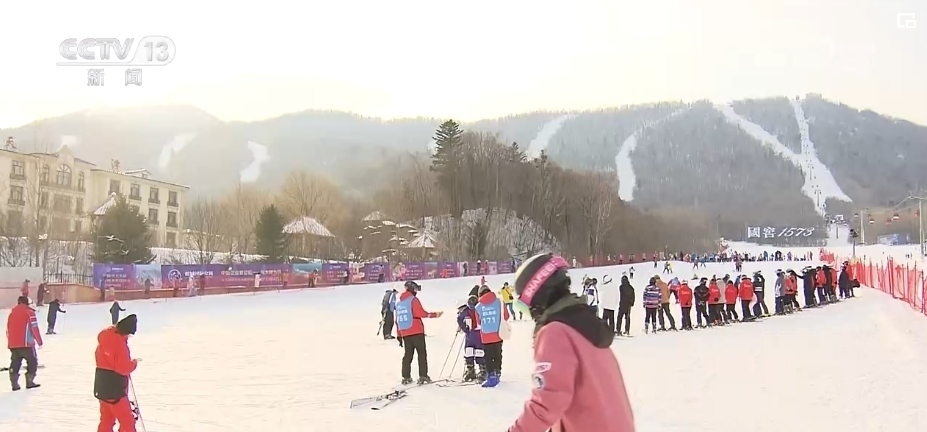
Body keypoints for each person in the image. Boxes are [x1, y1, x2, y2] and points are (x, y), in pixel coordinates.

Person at [506, 253, 634, 432]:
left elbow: (547, 402)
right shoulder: (585, 326)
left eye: (524, 306)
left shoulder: (555, 333)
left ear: (537, 297)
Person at [95, 314, 140, 432]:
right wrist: (134, 363)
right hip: (115, 390)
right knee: (127, 421)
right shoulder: (119, 343)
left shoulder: (105, 338)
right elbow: (123, 368)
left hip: (102, 387)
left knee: (107, 419)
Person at [394, 280, 443, 385]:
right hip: (416, 330)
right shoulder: (413, 300)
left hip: (405, 332)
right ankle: (423, 376)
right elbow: (420, 313)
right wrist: (434, 315)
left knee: (408, 355)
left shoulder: (398, 302)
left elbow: (397, 319)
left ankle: (406, 377)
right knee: (421, 354)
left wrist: (399, 334)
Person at [475, 285, 510, 387]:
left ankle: (491, 376)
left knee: (488, 356)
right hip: (498, 333)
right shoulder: (499, 302)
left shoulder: (478, 307)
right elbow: (506, 316)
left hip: (486, 335)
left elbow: (479, 322)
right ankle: (498, 372)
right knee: (498, 354)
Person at [6, 296, 43, 390]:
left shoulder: (11, 314)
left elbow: (8, 329)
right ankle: (29, 381)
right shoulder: (29, 313)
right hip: (26, 343)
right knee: (32, 362)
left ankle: (14, 383)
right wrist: (39, 341)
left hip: (13, 344)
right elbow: (34, 328)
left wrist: (10, 342)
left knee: (15, 363)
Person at [456, 296, 486, 382]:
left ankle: (483, 370)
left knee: (479, 352)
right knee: (469, 352)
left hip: (479, 334)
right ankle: (471, 370)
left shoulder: (481, 309)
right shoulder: (466, 311)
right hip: (471, 334)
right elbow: (459, 319)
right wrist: (464, 328)